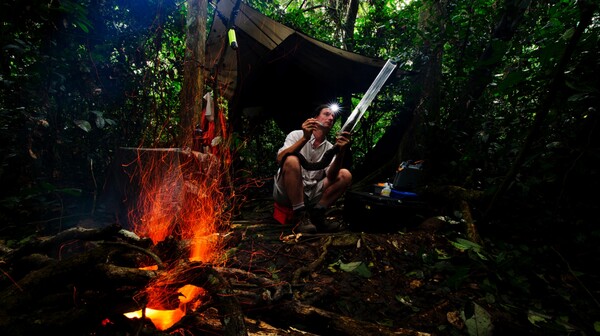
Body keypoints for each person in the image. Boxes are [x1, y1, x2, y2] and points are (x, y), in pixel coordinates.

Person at [273, 104, 353, 233]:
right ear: (314, 118)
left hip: (311, 194)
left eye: (333, 116)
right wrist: (305, 138)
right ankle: (300, 216)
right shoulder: (296, 135)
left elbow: (332, 177)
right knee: (291, 159)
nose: (331, 118)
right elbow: (280, 159)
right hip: (286, 193)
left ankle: (317, 214)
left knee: (345, 174)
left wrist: (341, 152)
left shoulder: (329, 147)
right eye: (326, 114)